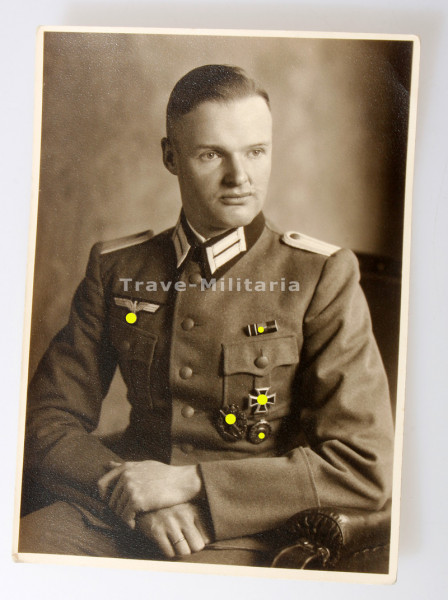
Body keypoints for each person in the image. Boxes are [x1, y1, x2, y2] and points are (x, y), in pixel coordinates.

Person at [19, 65, 394, 566]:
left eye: (256, 152)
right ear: (171, 157)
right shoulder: (118, 268)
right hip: (114, 514)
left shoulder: (320, 276)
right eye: (212, 154)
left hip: (244, 530)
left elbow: (364, 468)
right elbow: (46, 418)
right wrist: (133, 496)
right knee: (27, 552)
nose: (240, 178)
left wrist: (191, 484)